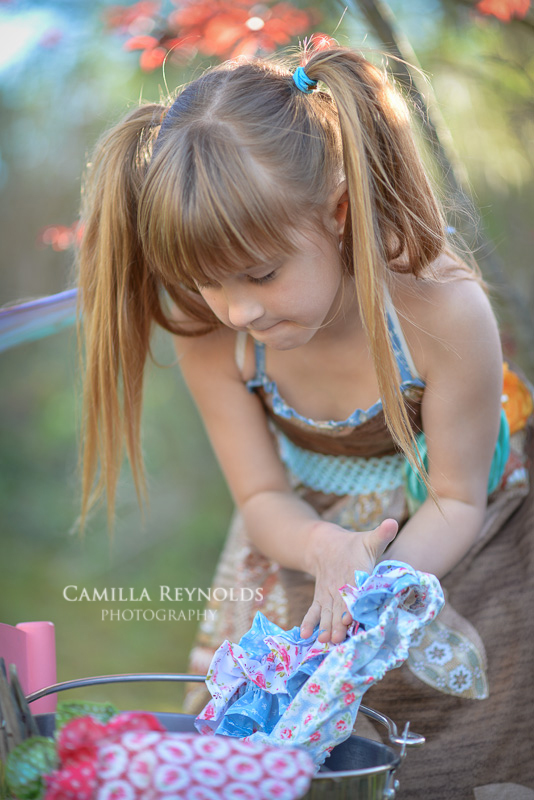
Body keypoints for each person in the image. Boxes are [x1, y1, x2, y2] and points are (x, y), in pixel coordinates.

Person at [77, 46, 534, 799]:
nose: (239, 310)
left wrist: (368, 586)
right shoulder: (214, 337)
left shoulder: (442, 313)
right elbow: (260, 498)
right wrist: (324, 548)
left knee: (447, 757)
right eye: (207, 281)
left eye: (260, 273)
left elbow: (457, 499)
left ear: (340, 211)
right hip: (298, 542)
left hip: (449, 542)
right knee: (269, 750)